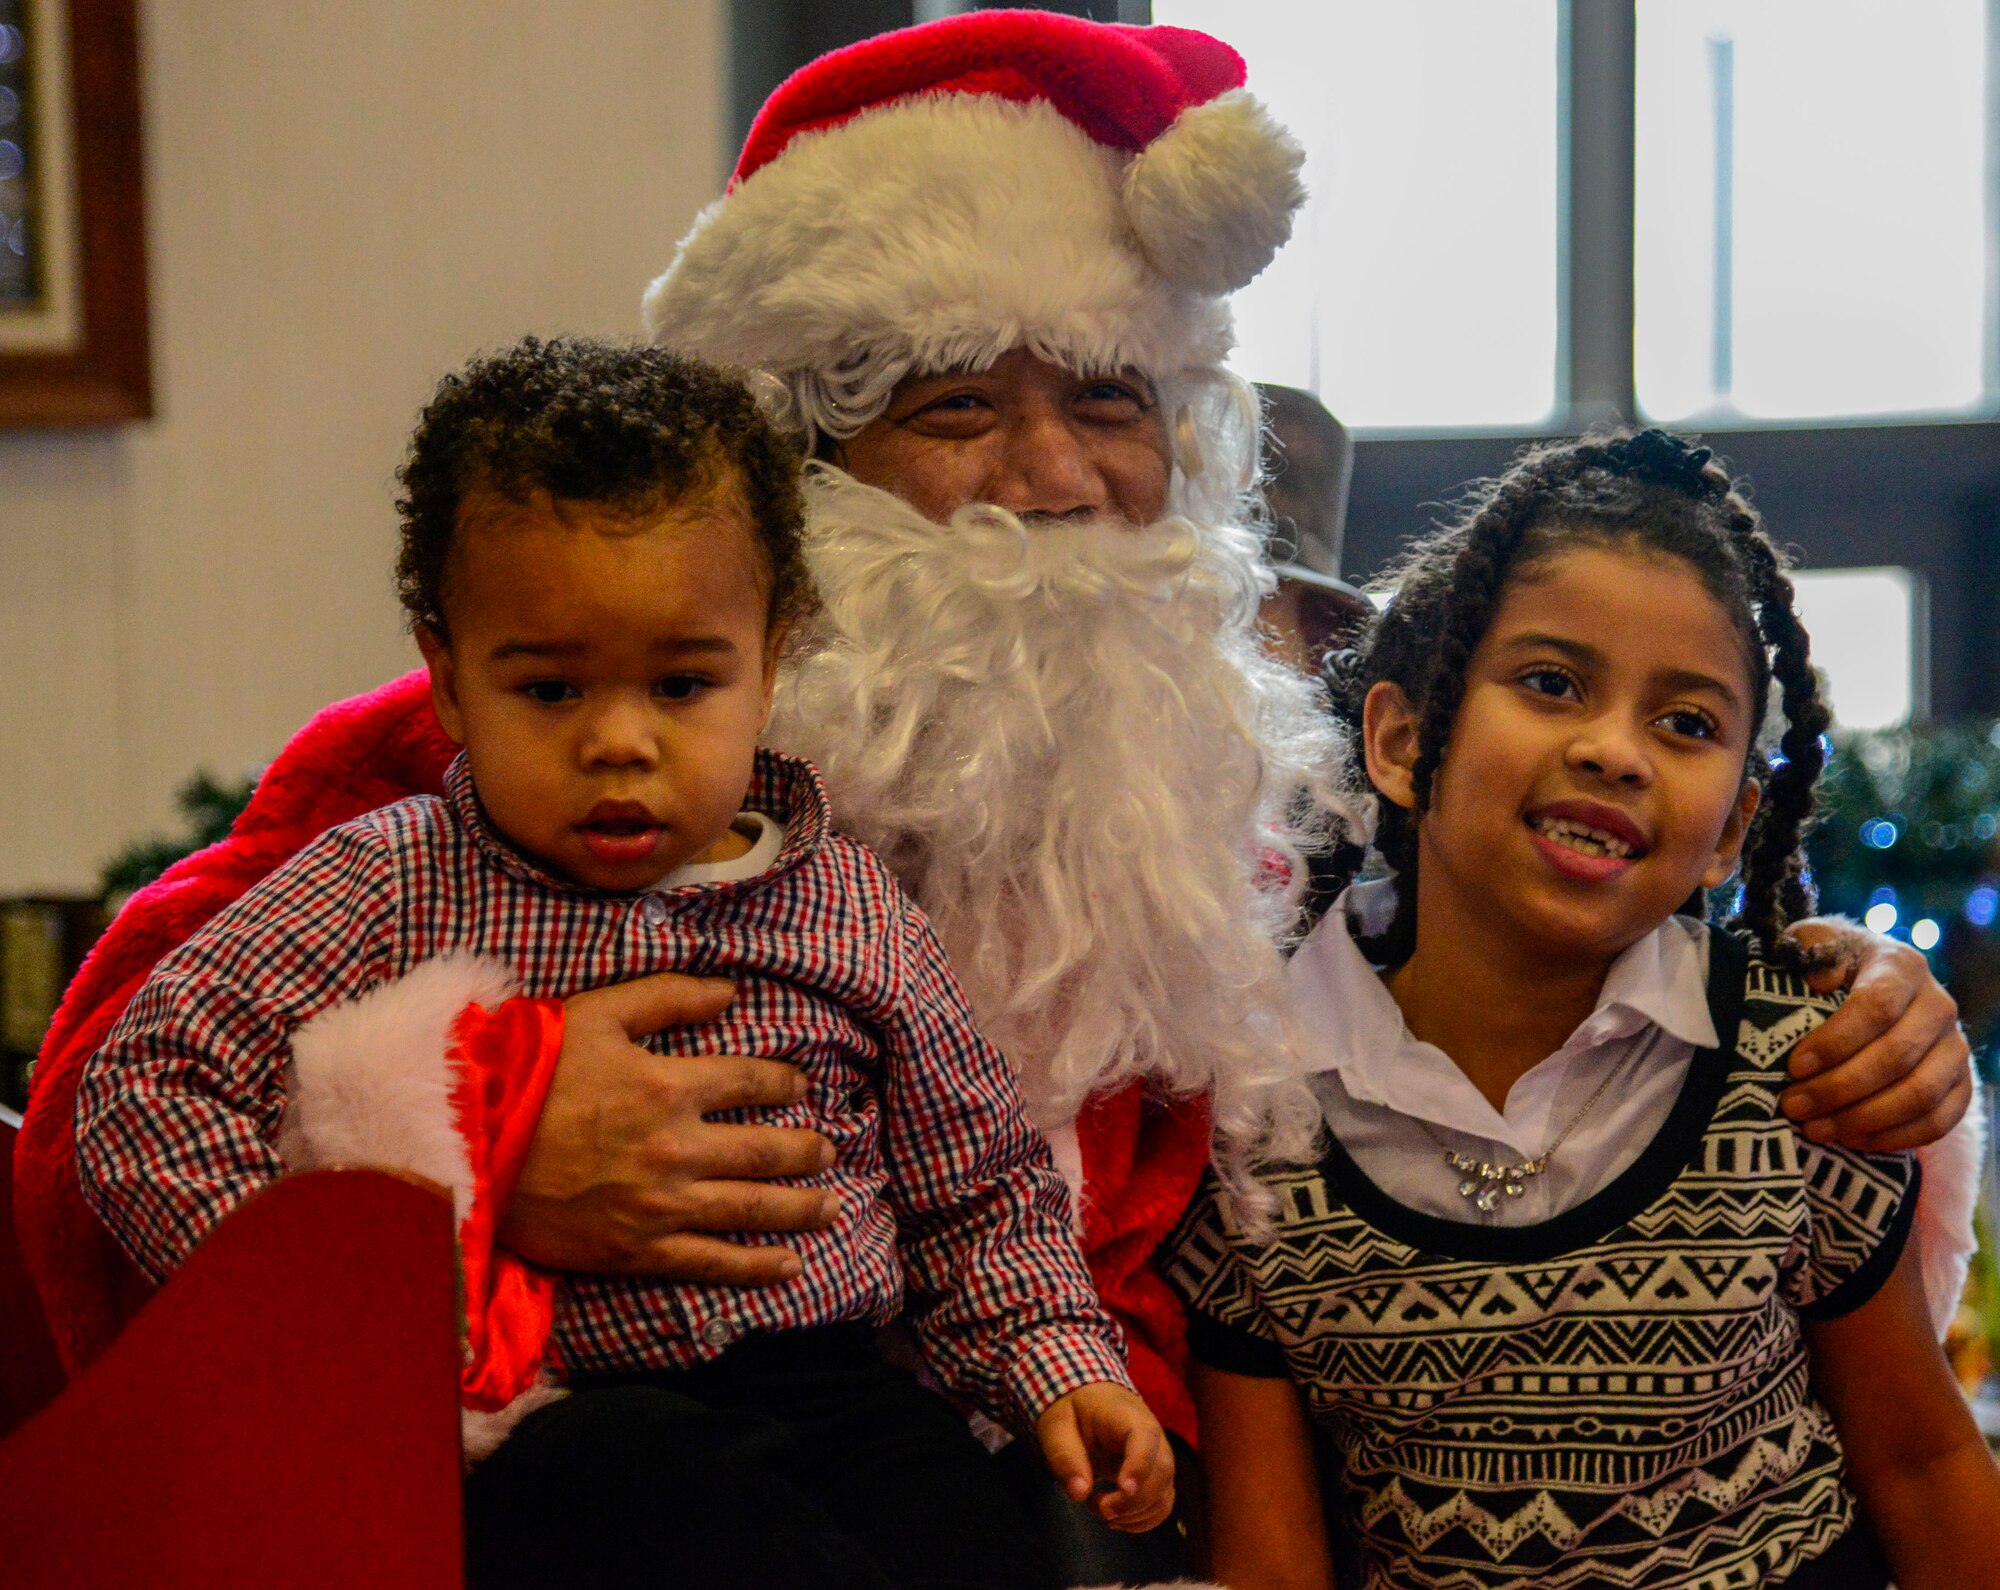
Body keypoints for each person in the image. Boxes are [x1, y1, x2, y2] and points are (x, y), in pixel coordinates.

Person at [15, 12, 1979, 1580]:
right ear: (805, 468)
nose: (1049, 481)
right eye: (957, 403)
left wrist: (1852, 996)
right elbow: (111, 1112)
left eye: (1110, 402)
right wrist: (468, 1168)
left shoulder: (1259, 770)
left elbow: (1557, 936)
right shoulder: (516, 764)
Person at [74, 340, 1169, 1590]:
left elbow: (974, 1192)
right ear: (444, 674)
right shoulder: (390, 880)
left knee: (973, 1535)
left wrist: (1062, 1369)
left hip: (832, 1391)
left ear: (774, 659)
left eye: (682, 683)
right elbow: (146, 1086)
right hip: (559, 1413)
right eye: (547, 690)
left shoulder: (850, 903)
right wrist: (369, 1308)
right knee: (651, 1491)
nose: (617, 742)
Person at [1168, 430, 2000, 1590]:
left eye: (1685, 723)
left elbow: (1917, 1459)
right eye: (1550, 683)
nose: (1613, 750)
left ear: (1726, 834)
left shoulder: (1792, 1064)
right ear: (1404, 743)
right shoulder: (1254, 1113)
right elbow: (1273, 1555)